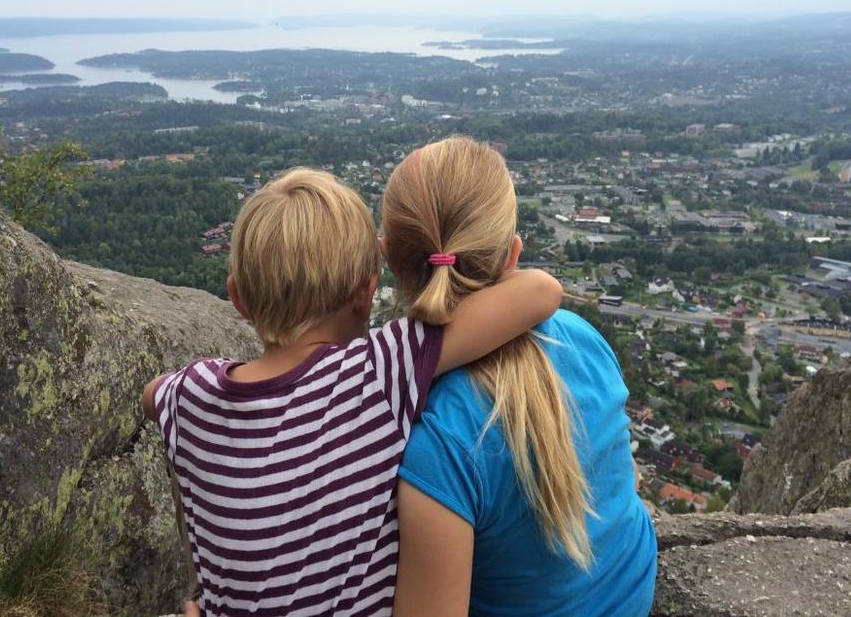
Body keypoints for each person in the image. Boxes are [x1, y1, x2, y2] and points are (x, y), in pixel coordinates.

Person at [140, 167, 564, 616]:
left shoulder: (188, 395)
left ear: (237, 298)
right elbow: (540, 291)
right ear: (367, 294)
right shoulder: (376, 374)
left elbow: (152, 396)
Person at [383, 138, 657, 616]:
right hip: (633, 593)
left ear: (387, 257)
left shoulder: (436, 441)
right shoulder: (582, 338)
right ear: (513, 254)